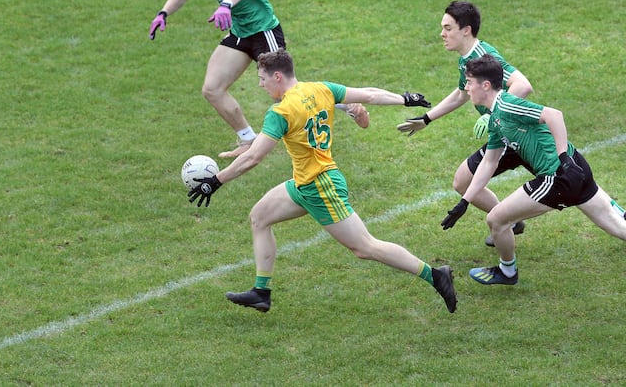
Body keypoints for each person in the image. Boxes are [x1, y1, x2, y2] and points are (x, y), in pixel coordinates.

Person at [186, 49, 457, 313]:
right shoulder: (321, 89)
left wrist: (216, 181)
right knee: (259, 217)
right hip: (304, 183)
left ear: (278, 76)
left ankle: (435, 275)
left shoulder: (280, 112)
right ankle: (261, 292)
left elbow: (253, 157)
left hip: (321, 187)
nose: (260, 84)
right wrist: (405, 98)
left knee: (365, 247)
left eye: (262, 78)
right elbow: (371, 94)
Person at [397, 1, 626, 246]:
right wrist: (427, 119)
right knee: (464, 181)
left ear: (466, 30)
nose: (442, 33)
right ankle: (510, 222)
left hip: (517, 134)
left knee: (568, 180)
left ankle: (620, 220)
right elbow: (461, 93)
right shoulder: (467, 59)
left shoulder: (484, 56)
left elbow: (523, 84)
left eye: (448, 28)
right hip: (505, 135)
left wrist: (494, 114)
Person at [456, 54, 626, 301]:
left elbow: (553, 115)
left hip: (558, 176)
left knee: (496, 220)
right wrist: (464, 201)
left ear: (485, 85)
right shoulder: (495, 118)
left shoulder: (506, 104)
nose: (466, 87)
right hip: (577, 165)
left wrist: (562, 159)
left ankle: (507, 271)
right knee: (614, 222)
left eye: (469, 82)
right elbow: (490, 162)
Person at [148, 0, 368, 158]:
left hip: (263, 30)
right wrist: (163, 12)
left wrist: (226, 5)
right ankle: (247, 140)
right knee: (212, 88)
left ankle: (347, 103)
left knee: (288, 92)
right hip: (241, 33)